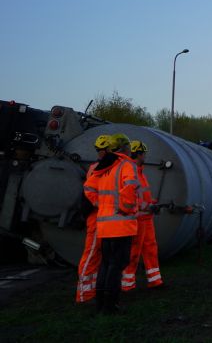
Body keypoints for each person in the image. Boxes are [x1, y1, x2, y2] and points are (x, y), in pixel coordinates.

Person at [84, 133, 139, 314]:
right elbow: (130, 187)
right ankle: (110, 306)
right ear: (124, 148)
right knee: (117, 265)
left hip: (104, 226)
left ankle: (100, 304)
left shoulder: (104, 166)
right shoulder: (126, 165)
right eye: (129, 147)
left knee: (106, 264)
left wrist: (100, 204)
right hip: (121, 225)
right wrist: (125, 208)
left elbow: (88, 187)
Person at [121, 140, 164, 292]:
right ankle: (127, 285)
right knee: (133, 252)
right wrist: (148, 206)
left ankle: (155, 281)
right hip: (136, 219)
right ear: (138, 154)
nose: (145, 156)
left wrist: (152, 203)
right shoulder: (131, 172)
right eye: (144, 154)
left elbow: (141, 195)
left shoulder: (139, 172)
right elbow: (130, 198)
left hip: (146, 218)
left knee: (151, 249)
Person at [75, 134, 113, 304]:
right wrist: (103, 204)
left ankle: (91, 291)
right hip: (97, 218)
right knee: (91, 255)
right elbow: (91, 193)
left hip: (102, 217)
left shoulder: (98, 167)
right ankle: (84, 295)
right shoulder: (99, 168)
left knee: (97, 255)